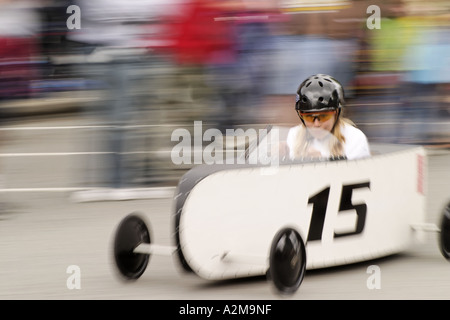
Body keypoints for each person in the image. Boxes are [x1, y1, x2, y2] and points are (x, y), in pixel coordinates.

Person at [286, 74, 370, 161]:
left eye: (323, 116)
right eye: (309, 117)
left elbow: (359, 173)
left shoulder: (354, 138)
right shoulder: (294, 135)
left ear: (336, 113)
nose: (317, 124)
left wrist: (321, 161)